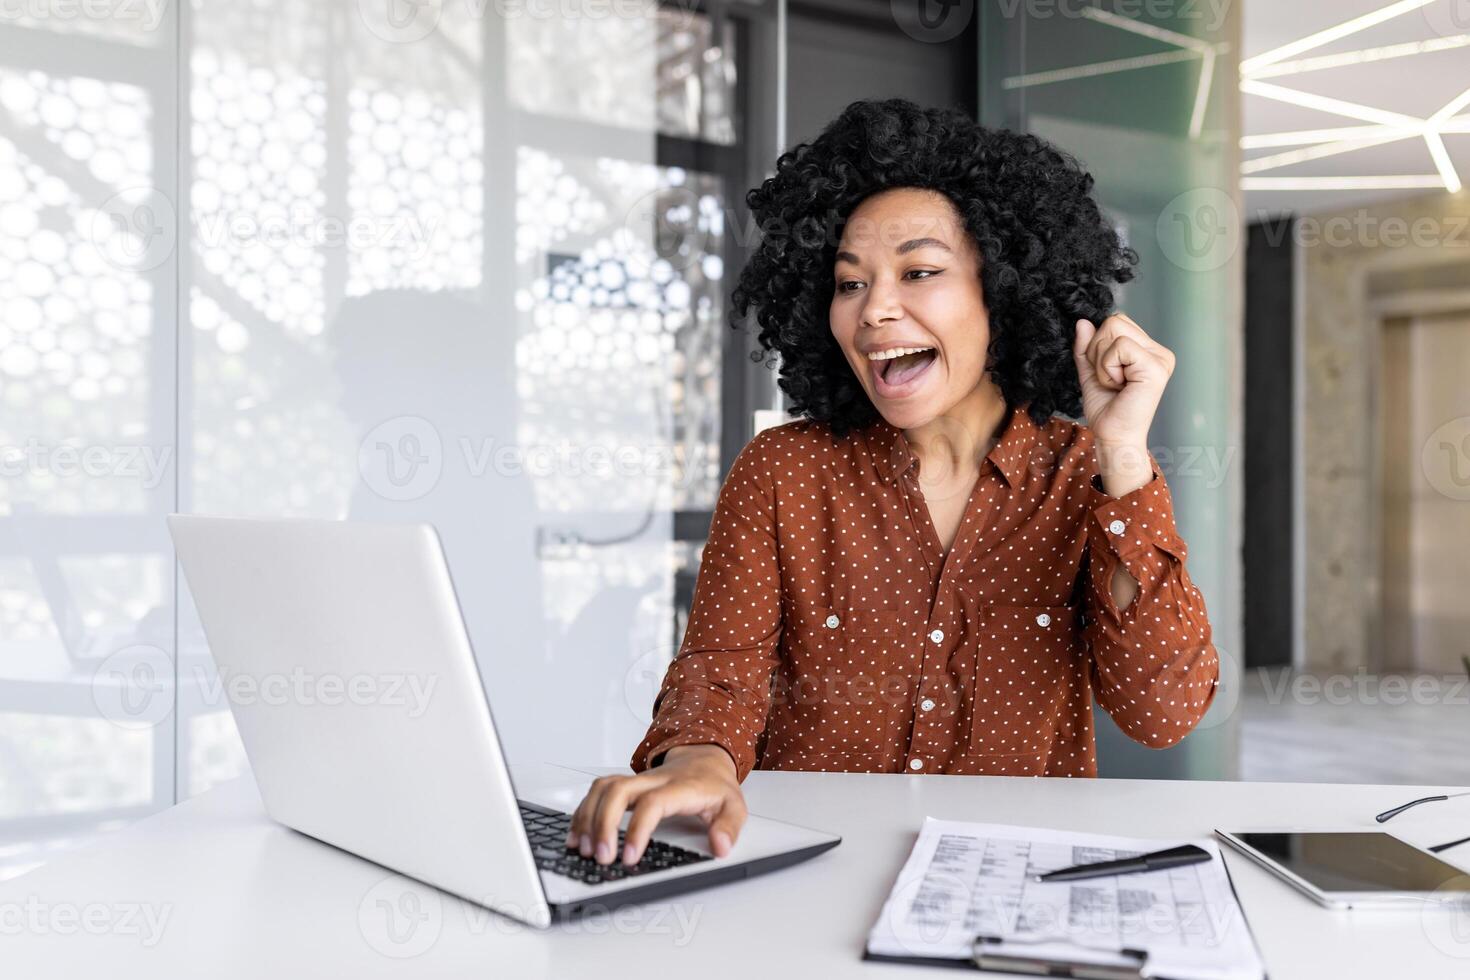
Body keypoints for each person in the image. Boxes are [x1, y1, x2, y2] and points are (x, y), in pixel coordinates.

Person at [568, 98, 1220, 869]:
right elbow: (721, 675)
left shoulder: (1087, 476)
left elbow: (1163, 710)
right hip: (808, 873)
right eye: (850, 284)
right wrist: (697, 765)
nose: (875, 308)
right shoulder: (783, 474)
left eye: (919, 272)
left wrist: (1124, 452)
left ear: (1001, 293)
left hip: (1014, 883)